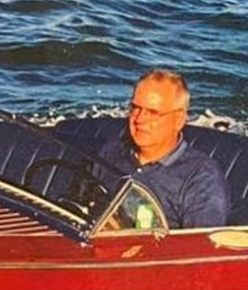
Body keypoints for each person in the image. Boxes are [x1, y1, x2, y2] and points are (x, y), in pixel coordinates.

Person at [95, 68, 229, 228]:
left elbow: (198, 241)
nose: (139, 119)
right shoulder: (111, 152)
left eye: (153, 112)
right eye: (135, 108)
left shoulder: (201, 178)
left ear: (178, 120)